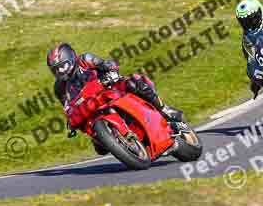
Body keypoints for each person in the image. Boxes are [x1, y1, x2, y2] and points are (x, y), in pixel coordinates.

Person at [46, 44, 183, 147]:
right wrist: (70, 121)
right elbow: (67, 107)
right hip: (92, 107)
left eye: (62, 66)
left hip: (110, 88)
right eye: (56, 69)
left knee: (135, 84)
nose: (60, 71)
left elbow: (106, 64)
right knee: (99, 146)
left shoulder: (85, 60)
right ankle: (116, 139)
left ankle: (164, 109)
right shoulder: (59, 87)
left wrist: (111, 70)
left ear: (71, 58)